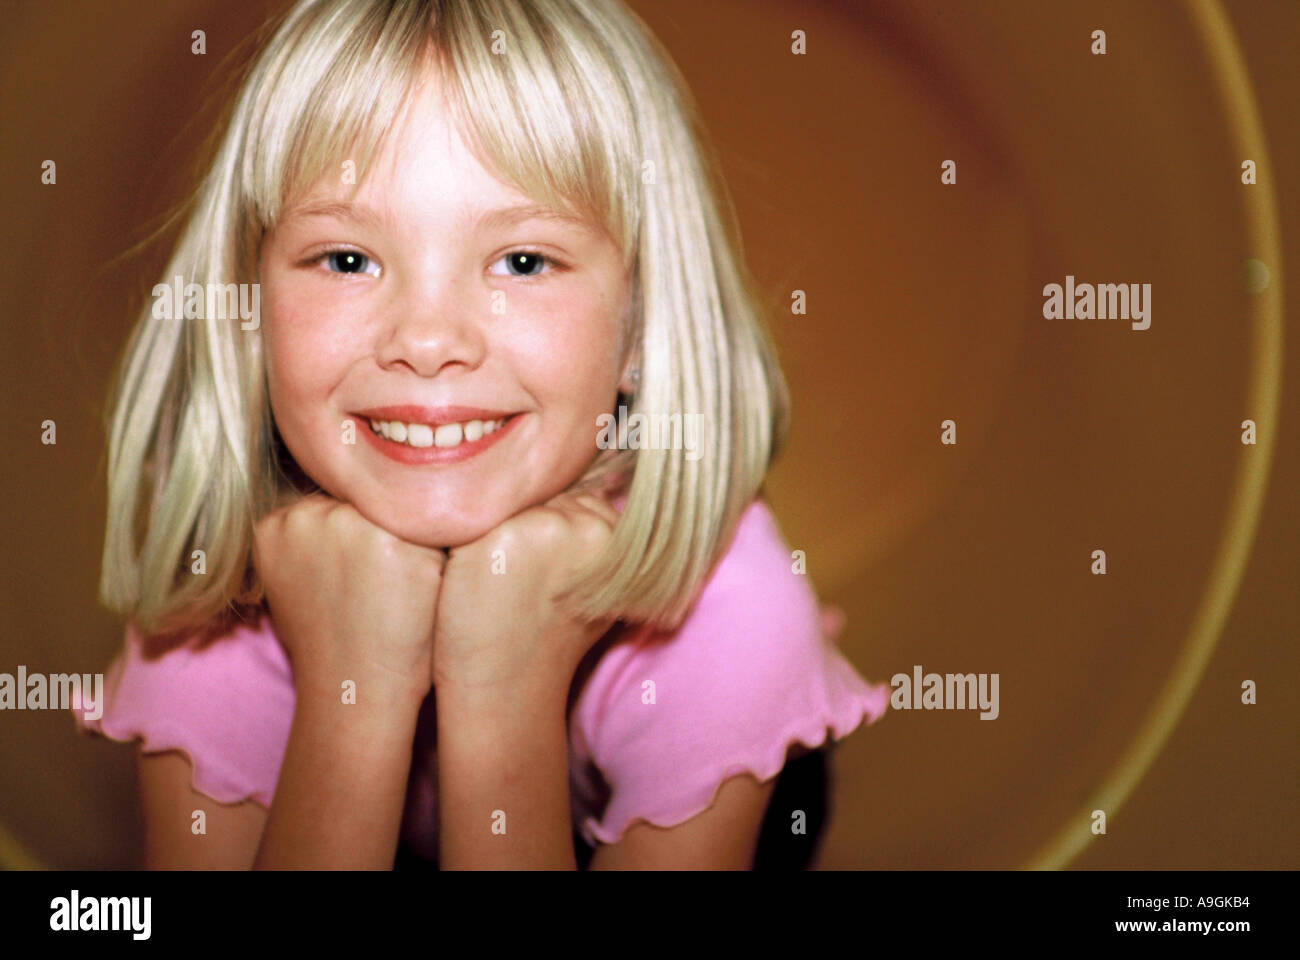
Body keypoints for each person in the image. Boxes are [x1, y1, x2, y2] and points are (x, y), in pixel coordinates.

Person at [74, 0, 890, 869]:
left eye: (524, 261)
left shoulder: (724, 614)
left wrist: (505, 700)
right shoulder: (215, 604)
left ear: (641, 330)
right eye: (346, 259)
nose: (428, 341)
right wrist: (353, 705)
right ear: (250, 319)